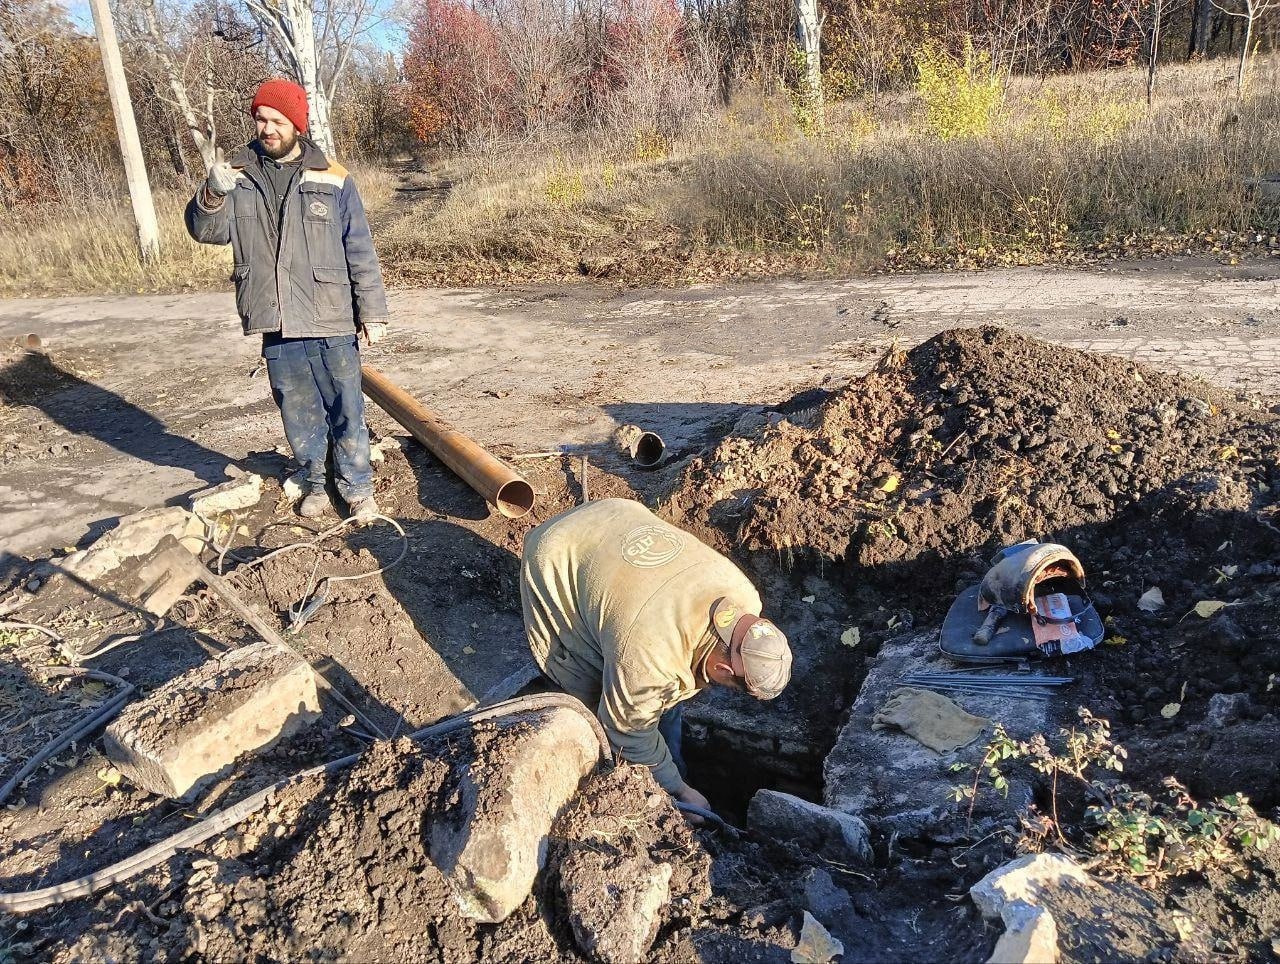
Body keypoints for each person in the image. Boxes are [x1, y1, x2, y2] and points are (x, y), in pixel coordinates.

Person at [185, 78, 388, 521]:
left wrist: (372, 310)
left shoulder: (333, 177)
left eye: (277, 120)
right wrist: (212, 192)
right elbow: (207, 231)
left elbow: (359, 247)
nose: (267, 129)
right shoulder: (236, 174)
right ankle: (315, 481)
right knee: (297, 411)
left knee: (346, 405)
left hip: (330, 315)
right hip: (275, 316)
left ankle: (357, 487)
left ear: (297, 123)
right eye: (261, 119)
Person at [520, 497, 792, 813]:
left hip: (618, 514)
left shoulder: (744, 597)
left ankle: (671, 768)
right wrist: (678, 790)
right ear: (723, 668)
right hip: (557, 551)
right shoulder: (650, 657)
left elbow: (663, 687)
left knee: (657, 701)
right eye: (734, 686)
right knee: (590, 696)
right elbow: (627, 730)